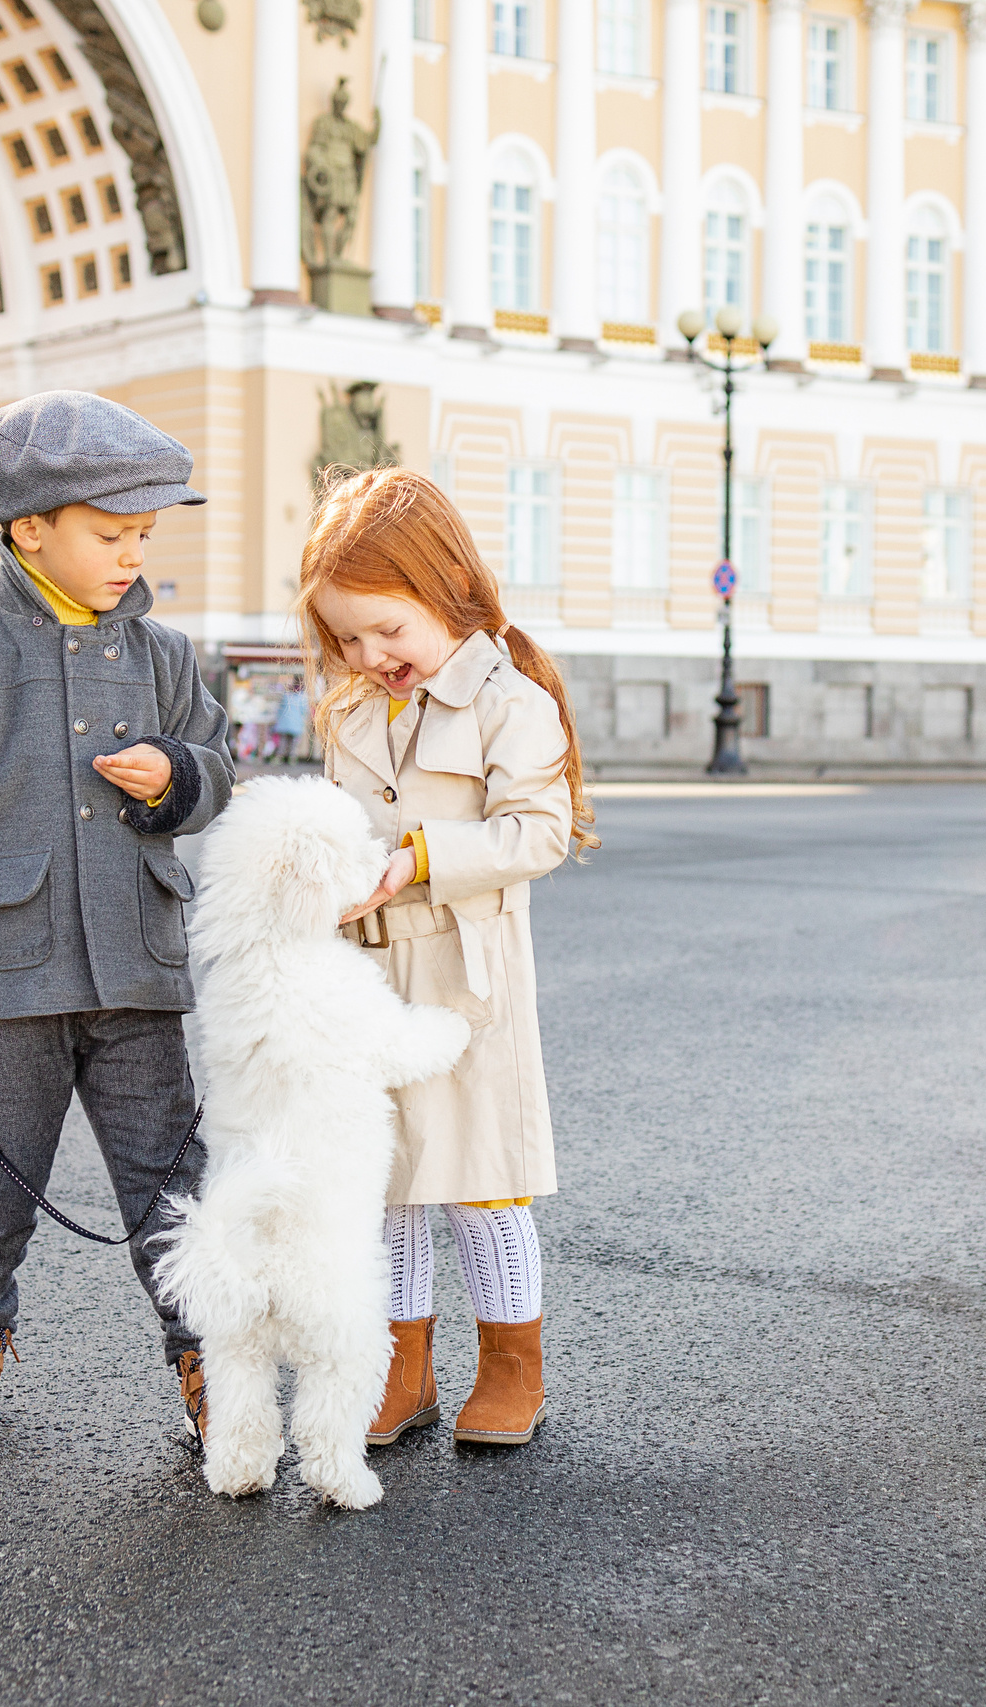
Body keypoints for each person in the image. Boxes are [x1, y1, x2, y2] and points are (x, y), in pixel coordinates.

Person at [0, 390, 234, 1450]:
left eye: (142, 536)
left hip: (136, 972)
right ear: (31, 527)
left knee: (172, 1183)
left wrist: (175, 775)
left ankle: (214, 1361)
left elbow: (218, 772)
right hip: (1, 974)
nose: (132, 555)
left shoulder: (164, 655)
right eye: (110, 534)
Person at [297, 466, 597, 1451]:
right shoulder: (346, 713)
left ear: (445, 589)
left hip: (468, 977)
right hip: (366, 975)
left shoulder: (511, 702)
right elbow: (344, 825)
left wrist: (418, 859)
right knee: (384, 1181)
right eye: (346, 637)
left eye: (387, 628)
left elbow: (535, 834)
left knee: (477, 1177)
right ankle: (401, 1370)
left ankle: (513, 1365)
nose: (367, 653)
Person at [270, 680, 309, 764]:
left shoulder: (285, 696)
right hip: (296, 724)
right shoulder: (302, 698)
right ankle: (292, 758)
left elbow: (279, 709)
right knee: (293, 743)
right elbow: (304, 711)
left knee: (283, 742)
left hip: (284, 723)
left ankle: (279, 757)